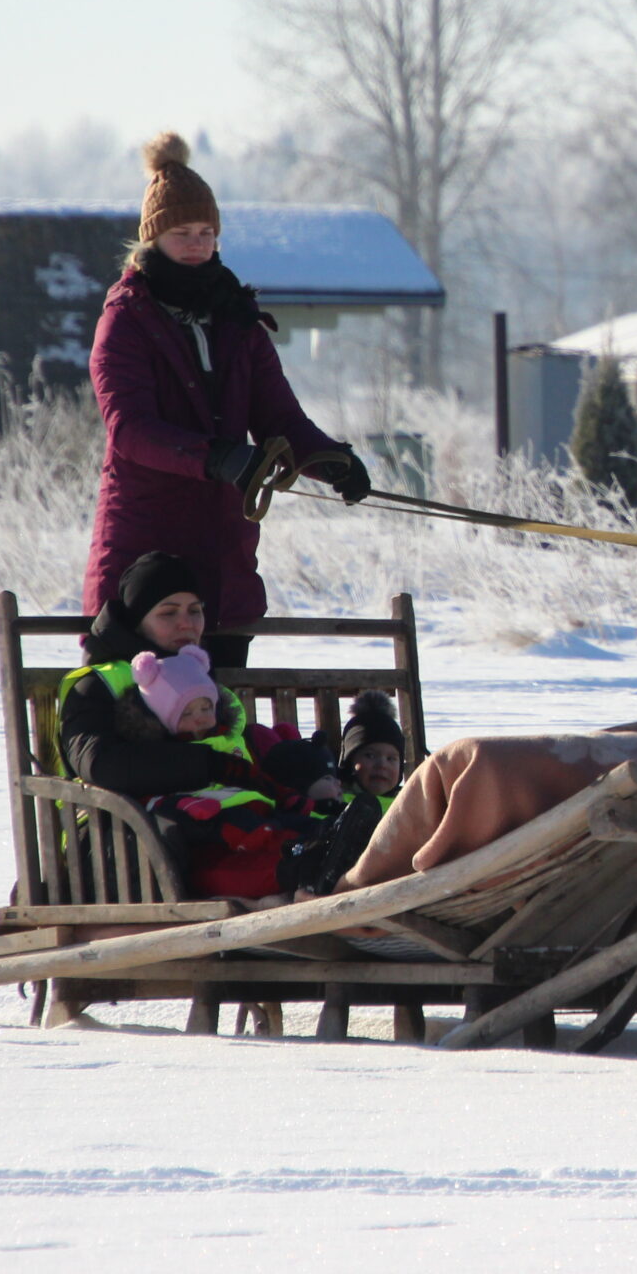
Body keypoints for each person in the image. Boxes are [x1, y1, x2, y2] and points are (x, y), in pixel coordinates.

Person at [83, 131, 370, 671]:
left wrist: (330, 462)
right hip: (145, 561)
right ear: (153, 240)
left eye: (206, 232)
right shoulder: (125, 321)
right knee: (145, 713)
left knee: (221, 724)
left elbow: (280, 418)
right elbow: (131, 428)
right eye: (182, 232)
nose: (196, 243)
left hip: (222, 560)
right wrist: (215, 456)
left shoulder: (239, 321)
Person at [58, 553, 340, 901]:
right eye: (168, 612)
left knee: (286, 834)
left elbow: (242, 759)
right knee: (216, 846)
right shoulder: (96, 684)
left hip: (219, 818)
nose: (186, 623)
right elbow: (102, 765)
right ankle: (313, 868)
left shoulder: (203, 682)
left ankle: (334, 860)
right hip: (120, 837)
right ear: (137, 621)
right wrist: (205, 764)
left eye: (195, 610)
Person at [277, 692, 411, 899]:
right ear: (348, 762)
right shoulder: (335, 797)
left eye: (391, 758)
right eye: (370, 755)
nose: (381, 764)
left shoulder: (406, 800)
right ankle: (325, 882)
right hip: (340, 870)